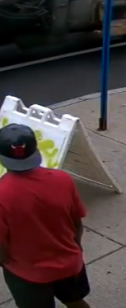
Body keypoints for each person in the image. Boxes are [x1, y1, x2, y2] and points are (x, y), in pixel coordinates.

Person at [0, 124, 90, 308]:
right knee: (76, 303)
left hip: (27, 274)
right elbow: (77, 225)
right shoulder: (63, 179)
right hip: (69, 265)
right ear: (36, 149)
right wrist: (75, 250)